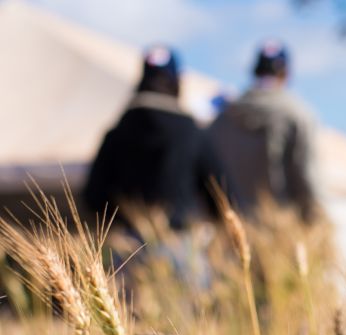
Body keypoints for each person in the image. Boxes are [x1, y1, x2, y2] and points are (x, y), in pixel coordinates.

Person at [84, 45, 229, 230]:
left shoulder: (116, 134)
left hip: (130, 248)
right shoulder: (192, 133)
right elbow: (222, 194)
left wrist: (126, 219)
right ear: (176, 81)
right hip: (183, 244)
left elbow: (93, 196)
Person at [208, 40, 320, 222]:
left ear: (255, 70)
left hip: (231, 227)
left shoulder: (222, 118)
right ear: (286, 74)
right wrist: (317, 220)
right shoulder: (297, 115)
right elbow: (306, 175)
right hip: (279, 227)